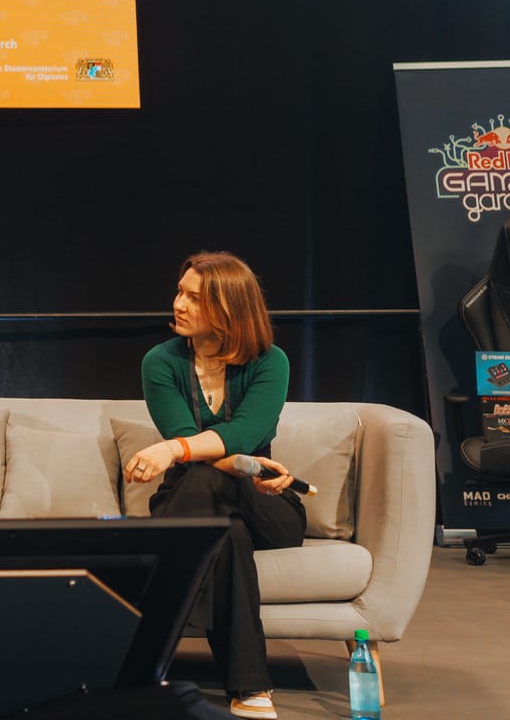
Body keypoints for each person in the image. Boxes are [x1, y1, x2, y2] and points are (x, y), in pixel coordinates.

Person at [121, 252, 304, 720]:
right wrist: (234, 460)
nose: (178, 303)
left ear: (229, 308)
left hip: (263, 499)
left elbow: (242, 431)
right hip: (195, 498)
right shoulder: (161, 361)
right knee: (227, 533)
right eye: (180, 291)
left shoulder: (270, 361)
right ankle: (249, 686)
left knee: (204, 476)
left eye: (195, 297)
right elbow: (188, 433)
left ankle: (140, 649)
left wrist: (172, 451)